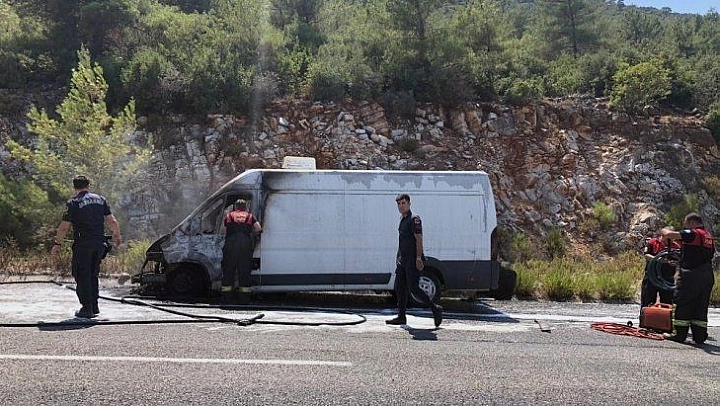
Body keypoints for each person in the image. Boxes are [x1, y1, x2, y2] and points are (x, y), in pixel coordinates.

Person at [51, 175, 122, 319]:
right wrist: (116, 235)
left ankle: (86, 308)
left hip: (83, 244)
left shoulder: (73, 203)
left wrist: (57, 244)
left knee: (82, 274)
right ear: (88, 185)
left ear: (74, 187)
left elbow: (64, 227)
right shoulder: (100, 199)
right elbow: (112, 221)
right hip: (99, 244)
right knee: (93, 274)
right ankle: (94, 306)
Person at [386, 194, 443, 328]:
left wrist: (418, 258)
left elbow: (419, 238)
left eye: (403, 203)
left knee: (414, 289)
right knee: (399, 287)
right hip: (404, 259)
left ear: (409, 204)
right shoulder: (402, 220)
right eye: (399, 204)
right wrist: (398, 255)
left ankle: (435, 308)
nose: (401, 206)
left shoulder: (414, 219)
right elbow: (402, 239)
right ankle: (401, 316)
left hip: (413, 259)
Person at [660, 213, 715, 344]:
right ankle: (699, 336)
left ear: (691, 223)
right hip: (707, 276)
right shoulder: (708, 236)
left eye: (687, 225)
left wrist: (664, 231)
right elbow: (696, 252)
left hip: (691, 276)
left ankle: (678, 334)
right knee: (700, 306)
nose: (686, 227)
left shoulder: (694, 233)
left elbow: (670, 235)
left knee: (682, 303)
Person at [221, 199, 262, 303]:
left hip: (231, 245)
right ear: (245, 207)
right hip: (245, 246)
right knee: (244, 271)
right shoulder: (249, 216)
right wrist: (251, 233)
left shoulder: (229, 216)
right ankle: (244, 298)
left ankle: (227, 298)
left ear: (235, 206)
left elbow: (223, 231)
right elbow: (259, 229)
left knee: (228, 271)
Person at [639, 231, 680, 313]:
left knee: (667, 302)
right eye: (669, 237)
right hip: (651, 277)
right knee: (648, 301)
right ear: (663, 235)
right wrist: (658, 259)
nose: (672, 239)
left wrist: (675, 262)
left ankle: (665, 319)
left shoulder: (675, 246)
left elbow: (679, 258)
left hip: (667, 278)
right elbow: (646, 255)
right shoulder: (653, 242)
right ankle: (645, 318)